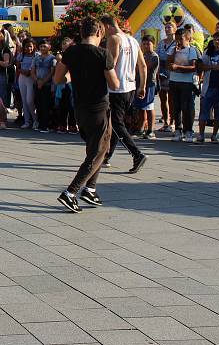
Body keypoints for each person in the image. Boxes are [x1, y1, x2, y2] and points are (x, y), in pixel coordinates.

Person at [53, 17, 120, 213]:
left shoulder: (70, 52)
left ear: (82, 33)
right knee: (98, 151)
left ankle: (90, 188)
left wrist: (76, 74)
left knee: (99, 148)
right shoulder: (103, 54)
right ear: (99, 33)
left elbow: (59, 79)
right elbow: (114, 84)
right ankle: (71, 192)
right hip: (98, 108)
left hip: (80, 108)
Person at [100, 16, 147, 172]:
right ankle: (106, 157)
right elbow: (143, 65)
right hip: (130, 88)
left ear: (107, 26)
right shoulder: (133, 40)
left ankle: (137, 154)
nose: (102, 33)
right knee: (115, 123)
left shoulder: (114, 39)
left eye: (102, 29)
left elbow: (110, 64)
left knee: (116, 124)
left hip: (116, 88)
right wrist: (142, 86)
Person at [167, 27, 202, 143]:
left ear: (187, 39)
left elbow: (193, 67)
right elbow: (169, 63)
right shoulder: (173, 49)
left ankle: (188, 131)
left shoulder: (191, 50)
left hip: (187, 82)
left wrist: (178, 67)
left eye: (181, 39)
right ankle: (178, 130)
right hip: (174, 81)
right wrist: (174, 54)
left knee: (186, 107)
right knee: (176, 107)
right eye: (177, 39)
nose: (178, 42)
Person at [199, 31, 219, 143]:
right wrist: (214, 67)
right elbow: (202, 65)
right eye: (215, 40)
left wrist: (211, 67)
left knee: (218, 113)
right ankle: (201, 135)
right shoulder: (208, 52)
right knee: (204, 111)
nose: (217, 42)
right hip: (208, 86)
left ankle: (214, 135)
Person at [132, 35, 159, 140]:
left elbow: (145, 67)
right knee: (140, 107)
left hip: (149, 85)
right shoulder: (142, 55)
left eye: (148, 44)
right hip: (139, 83)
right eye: (144, 44)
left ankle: (151, 130)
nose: (146, 46)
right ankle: (141, 129)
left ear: (153, 44)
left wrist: (138, 66)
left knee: (149, 107)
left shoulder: (154, 56)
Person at [156, 21, 176, 132]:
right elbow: (157, 56)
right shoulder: (161, 43)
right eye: (166, 27)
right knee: (162, 98)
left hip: (171, 71)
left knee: (171, 99)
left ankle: (172, 122)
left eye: (170, 27)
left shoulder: (176, 43)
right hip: (162, 70)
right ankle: (165, 122)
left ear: (175, 29)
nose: (167, 28)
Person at [33, 40, 56, 133]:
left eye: (44, 46)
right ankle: (39, 123)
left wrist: (43, 82)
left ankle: (45, 125)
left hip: (47, 85)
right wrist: (37, 81)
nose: (42, 48)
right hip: (37, 84)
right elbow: (32, 70)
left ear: (49, 47)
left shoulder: (52, 58)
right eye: (41, 46)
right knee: (38, 104)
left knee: (45, 105)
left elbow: (52, 72)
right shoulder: (36, 58)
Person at [15, 39, 36, 129]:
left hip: (32, 79)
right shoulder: (21, 56)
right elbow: (17, 67)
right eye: (27, 46)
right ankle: (27, 121)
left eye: (30, 46)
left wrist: (30, 72)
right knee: (24, 101)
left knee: (30, 100)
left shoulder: (37, 56)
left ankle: (35, 120)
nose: (29, 48)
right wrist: (23, 72)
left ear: (34, 46)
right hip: (22, 78)